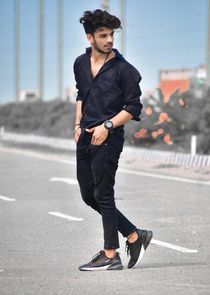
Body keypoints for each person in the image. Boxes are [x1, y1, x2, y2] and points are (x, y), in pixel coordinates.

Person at [73, 9, 153, 271]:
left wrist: (107, 126)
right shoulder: (80, 64)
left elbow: (132, 108)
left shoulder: (125, 70)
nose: (109, 40)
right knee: (88, 195)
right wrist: (77, 124)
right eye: (103, 35)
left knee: (104, 195)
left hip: (108, 138)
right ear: (89, 37)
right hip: (84, 137)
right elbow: (81, 95)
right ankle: (133, 236)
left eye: (111, 35)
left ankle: (111, 255)